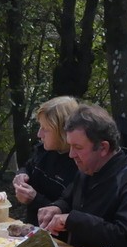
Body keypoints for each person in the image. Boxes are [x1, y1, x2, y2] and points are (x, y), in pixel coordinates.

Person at [37, 103, 127, 247]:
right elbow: (68, 200)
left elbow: (126, 240)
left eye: (78, 147)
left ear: (103, 147)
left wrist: (72, 220)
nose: (71, 154)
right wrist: (57, 208)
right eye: (70, 146)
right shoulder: (87, 168)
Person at [13, 96, 79, 225]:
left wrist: (34, 199)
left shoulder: (79, 164)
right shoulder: (44, 150)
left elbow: (68, 213)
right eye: (40, 126)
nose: (39, 134)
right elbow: (28, 166)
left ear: (63, 132)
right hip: (31, 229)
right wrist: (21, 175)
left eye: (46, 129)